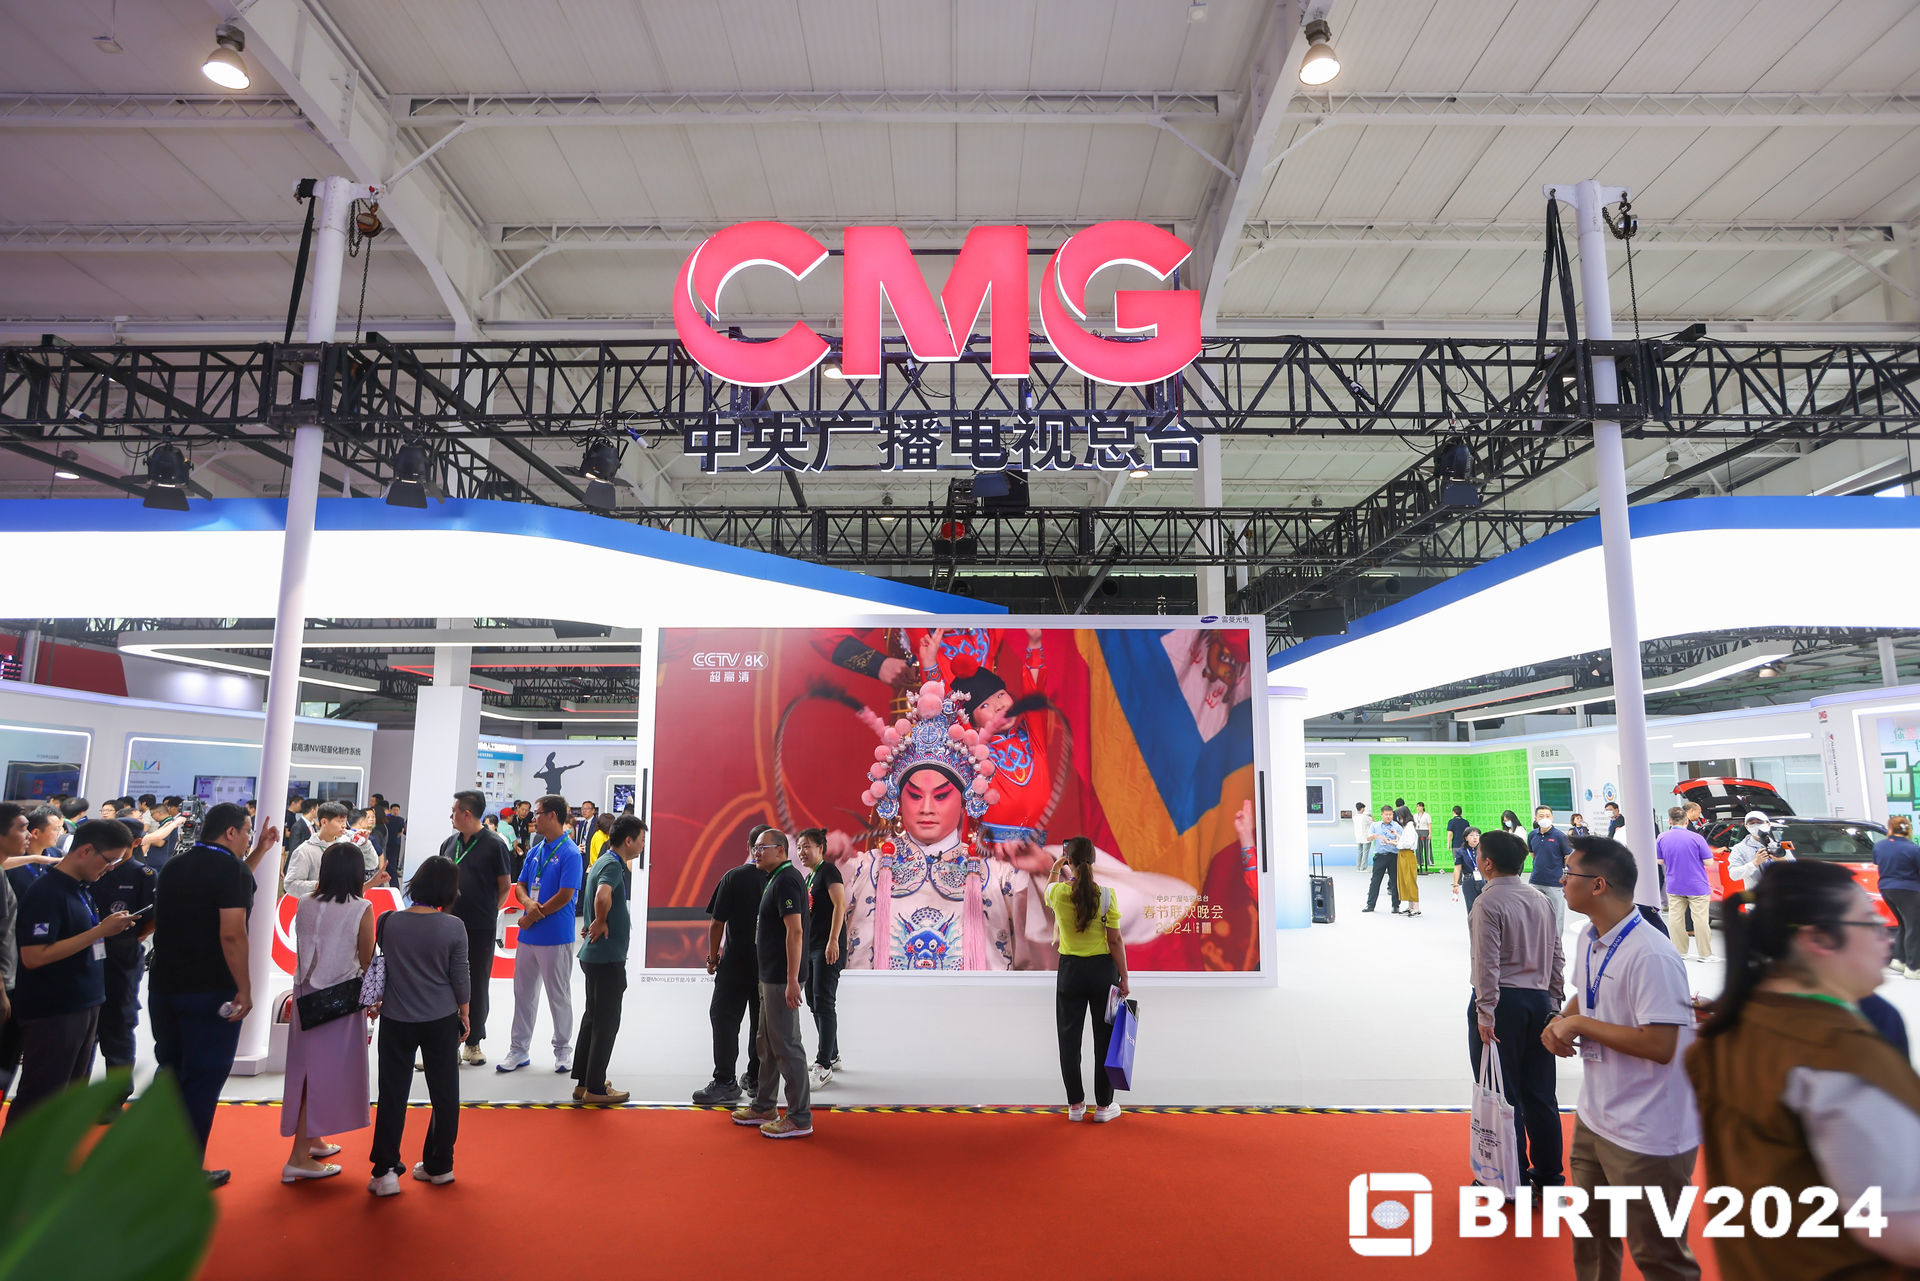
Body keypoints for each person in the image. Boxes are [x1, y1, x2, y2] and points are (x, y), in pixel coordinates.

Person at [1687, 860, 1920, 1277]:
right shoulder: (1839, 1051)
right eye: (1869, 923)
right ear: (1819, 938)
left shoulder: (1736, 1026)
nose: (1885, 936)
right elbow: (1896, 1226)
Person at [1544, 836, 1702, 1281]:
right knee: (1592, 1240)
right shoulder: (1590, 937)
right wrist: (1561, 1019)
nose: (1561, 879)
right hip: (1596, 1117)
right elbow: (1587, 994)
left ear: (1598, 885)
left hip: (1648, 1131)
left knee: (1659, 1256)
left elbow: (1660, 1045)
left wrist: (1580, 1025)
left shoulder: (1651, 954)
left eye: (1569, 873)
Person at [149, 801, 278, 1188]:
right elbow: (232, 932)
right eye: (248, 831)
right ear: (231, 832)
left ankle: (152, 1159)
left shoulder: (176, 864)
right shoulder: (230, 870)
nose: (249, 838)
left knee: (170, 1072)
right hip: (209, 990)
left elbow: (228, 885)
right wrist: (245, 988)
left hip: (165, 986)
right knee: (203, 1079)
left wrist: (259, 852)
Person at [3, 819, 137, 1131]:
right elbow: (34, 956)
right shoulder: (47, 892)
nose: (110, 869)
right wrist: (99, 932)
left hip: (84, 1003)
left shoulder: (80, 888)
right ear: (85, 850)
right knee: (42, 1096)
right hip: (55, 1009)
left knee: (69, 1094)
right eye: (108, 860)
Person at [1468, 828, 1566, 1197]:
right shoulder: (1540, 900)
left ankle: (1511, 1179)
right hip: (1539, 1002)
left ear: (1488, 863)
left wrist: (1485, 1013)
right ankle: (1549, 1177)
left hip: (1502, 1006)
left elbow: (1487, 965)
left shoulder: (1487, 903)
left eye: (1479, 854)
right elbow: (1556, 955)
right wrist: (1554, 1004)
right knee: (1541, 1094)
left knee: (1501, 1094)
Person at [368, 856, 469, 1197]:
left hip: (397, 1018)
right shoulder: (454, 927)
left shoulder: (388, 922)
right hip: (441, 1018)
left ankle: (385, 1172)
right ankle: (441, 1165)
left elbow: (383, 966)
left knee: (392, 1095)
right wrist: (465, 1012)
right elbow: (460, 975)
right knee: (445, 1093)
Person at [280, 842, 374, 1184]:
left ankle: (314, 1140)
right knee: (323, 1077)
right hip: (340, 1000)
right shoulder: (362, 907)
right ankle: (298, 1158)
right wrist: (375, 997)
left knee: (307, 1071)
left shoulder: (305, 902)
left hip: (306, 996)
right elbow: (367, 958)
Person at [728, 829, 812, 1139]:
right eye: (755, 847)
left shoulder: (787, 880)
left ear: (780, 850)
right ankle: (764, 1106)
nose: (756, 852)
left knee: (787, 1045)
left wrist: (791, 980)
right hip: (770, 976)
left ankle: (799, 1117)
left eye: (763, 847)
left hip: (780, 978)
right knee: (766, 1043)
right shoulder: (775, 879)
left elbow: (795, 932)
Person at [1044, 835, 1129, 1122]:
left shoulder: (1058, 893)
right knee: (1104, 1039)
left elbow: (1047, 891)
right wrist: (1124, 977)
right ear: (1093, 860)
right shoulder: (1106, 895)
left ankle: (1075, 1105)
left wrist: (1057, 867)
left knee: (1069, 1039)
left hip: (1071, 971)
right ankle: (1103, 1107)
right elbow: (1115, 941)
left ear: (1069, 859)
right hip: (1103, 972)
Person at [496, 794, 581, 1074]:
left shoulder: (570, 853)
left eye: (538, 813)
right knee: (523, 994)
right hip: (528, 937)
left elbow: (566, 895)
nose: (534, 818)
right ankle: (518, 1050)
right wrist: (527, 903)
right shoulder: (535, 850)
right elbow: (520, 885)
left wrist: (534, 914)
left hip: (555, 936)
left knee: (559, 995)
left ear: (553, 816)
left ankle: (563, 1050)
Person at [692, 826, 770, 1105]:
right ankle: (757, 1078)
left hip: (736, 963)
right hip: (768, 967)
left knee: (724, 1017)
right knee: (761, 1023)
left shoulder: (734, 877)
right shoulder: (785, 879)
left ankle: (725, 1081)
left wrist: (712, 957)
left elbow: (717, 923)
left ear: (749, 846)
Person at [573, 814, 645, 1106]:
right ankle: (595, 1089)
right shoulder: (614, 865)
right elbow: (603, 895)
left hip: (595, 955)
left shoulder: (603, 860)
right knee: (606, 1023)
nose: (643, 846)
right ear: (628, 840)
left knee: (593, 1018)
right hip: (606, 958)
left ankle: (584, 1083)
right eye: (641, 840)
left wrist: (594, 920)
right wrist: (600, 920)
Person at [441, 791, 512, 1065]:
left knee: (477, 983)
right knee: (446, 981)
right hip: (448, 924)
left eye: (454, 810)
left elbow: (504, 886)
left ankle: (473, 1043)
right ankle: (449, 1044)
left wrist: (490, 911)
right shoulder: (449, 844)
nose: (451, 815)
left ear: (467, 813)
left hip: (481, 927)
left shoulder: (495, 845)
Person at [87, 828, 159, 1075]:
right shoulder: (94, 869)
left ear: (135, 843)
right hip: (88, 952)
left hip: (122, 955)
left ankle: (117, 1091)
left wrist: (133, 937)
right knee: (86, 1024)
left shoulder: (143, 874)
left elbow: (153, 916)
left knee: (118, 1020)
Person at [796, 826, 845, 1088]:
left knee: (824, 1002)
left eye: (807, 846)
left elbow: (840, 905)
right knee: (814, 1002)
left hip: (827, 947)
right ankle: (832, 1054)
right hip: (811, 947)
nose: (802, 852)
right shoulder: (809, 877)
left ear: (820, 848)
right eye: (799, 847)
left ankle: (823, 1064)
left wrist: (833, 940)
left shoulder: (829, 871)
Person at [1657, 806, 1718, 964]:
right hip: (1697, 885)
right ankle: (1705, 954)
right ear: (1686, 821)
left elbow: (1660, 860)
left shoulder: (1662, 837)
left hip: (1674, 885)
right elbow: (1709, 862)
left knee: (1675, 920)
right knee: (1700, 920)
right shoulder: (1697, 838)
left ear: (1670, 821)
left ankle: (1680, 952)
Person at [1872, 815, 1920, 979]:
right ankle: (1914, 967)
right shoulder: (1913, 848)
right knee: (1915, 927)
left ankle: (1900, 959)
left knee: (1904, 924)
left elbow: (1878, 863)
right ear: (1908, 829)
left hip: (1886, 888)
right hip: (1909, 890)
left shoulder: (1879, 846)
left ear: (1891, 828)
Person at [283, 802, 352, 898]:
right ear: (324, 822)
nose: (344, 825)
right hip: (317, 904)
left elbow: (370, 865)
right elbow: (290, 885)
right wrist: (318, 885)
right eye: (340, 821)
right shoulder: (304, 850)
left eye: (345, 821)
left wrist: (365, 844)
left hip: (344, 902)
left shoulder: (347, 844)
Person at [1529, 804, 1573, 938]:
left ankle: (1556, 944)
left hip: (1555, 882)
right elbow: (1532, 853)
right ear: (1536, 818)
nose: (1544, 818)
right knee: (1534, 915)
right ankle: (1538, 942)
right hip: (1535, 881)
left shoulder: (1559, 836)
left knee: (1556, 916)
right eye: (1541, 816)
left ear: (1552, 817)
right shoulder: (1532, 835)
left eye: (1547, 816)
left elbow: (1568, 856)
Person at [1727, 811, 1790, 887]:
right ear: (1746, 827)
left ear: (1768, 824)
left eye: (1759, 822)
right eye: (1752, 823)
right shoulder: (1739, 848)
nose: (1756, 825)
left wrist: (1784, 862)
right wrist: (1755, 863)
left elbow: (1797, 870)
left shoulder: (1779, 844)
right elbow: (1734, 875)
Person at [1363, 804, 1402, 914]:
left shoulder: (1397, 826)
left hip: (1394, 856)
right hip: (1380, 857)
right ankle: (1370, 905)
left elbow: (1402, 840)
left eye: (1390, 814)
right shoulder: (1375, 825)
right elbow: (1368, 838)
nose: (1388, 816)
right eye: (1386, 814)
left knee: (1395, 882)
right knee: (1375, 881)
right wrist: (1374, 836)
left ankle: (1396, 906)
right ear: (1382, 815)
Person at [1396, 809, 1422, 917]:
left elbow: (1409, 843)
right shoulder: (1407, 827)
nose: (1398, 819)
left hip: (1407, 855)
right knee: (1405, 881)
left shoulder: (1410, 827)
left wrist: (1398, 844)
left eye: (1399, 816)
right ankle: (1411, 907)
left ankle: (1416, 908)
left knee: (1410, 881)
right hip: (1403, 855)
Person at [1452, 827, 1484, 913]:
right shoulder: (1460, 851)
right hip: (1469, 880)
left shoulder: (1484, 850)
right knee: (1471, 907)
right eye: (1472, 835)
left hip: (1483, 879)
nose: (1475, 837)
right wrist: (1455, 885)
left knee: (1485, 906)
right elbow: (1457, 869)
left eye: (1477, 835)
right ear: (1466, 838)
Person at [1351, 801, 1372, 870]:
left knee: (1359, 852)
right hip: (1366, 837)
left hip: (1358, 837)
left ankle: (1358, 867)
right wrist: (1371, 816)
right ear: (1362, 808)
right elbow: (1373, 823)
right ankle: (1363, 868)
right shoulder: (1365, 817)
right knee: (1365, 853)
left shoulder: (1354, 817)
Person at [1413, 802, 1433, 871]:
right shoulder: (1415, 815)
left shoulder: (1427, 815)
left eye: (1420, 806)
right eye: (1417, 806)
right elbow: (1414, 825)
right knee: (1418, 848)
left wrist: (1430, 834)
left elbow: (1430, 825)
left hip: (1425, 831)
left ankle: (1429, 861)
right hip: (1417, 831)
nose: (1418, 808)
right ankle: (1419, 861)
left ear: (1423, 807)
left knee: (1427, 847)